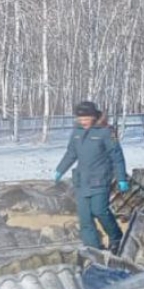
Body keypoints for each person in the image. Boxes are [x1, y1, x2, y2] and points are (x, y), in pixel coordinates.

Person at [54, 101, 129, 252]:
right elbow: (71, 153)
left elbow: (117, 156)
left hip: (100, 179)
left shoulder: (106, 132)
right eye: (80, 119)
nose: (83, 122)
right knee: (85, 217)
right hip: (82, 180)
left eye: (86, 119)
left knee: (99, 210)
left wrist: (121, 178)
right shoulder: (76, 132)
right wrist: (60, 170)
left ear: (94, 117)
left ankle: (116, 238)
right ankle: (93, 248)